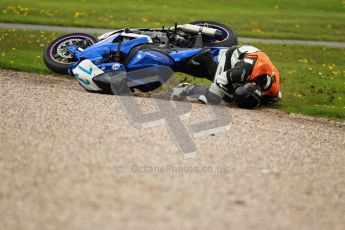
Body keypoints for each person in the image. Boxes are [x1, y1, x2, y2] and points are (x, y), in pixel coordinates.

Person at [171, 45, 281, 109]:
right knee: (214, 98)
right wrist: (226, 95)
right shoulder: (240, 73)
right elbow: (220, 81)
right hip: (235, 53)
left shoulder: (273, 89)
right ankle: (186, 87)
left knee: (228, 94)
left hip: (254, 59)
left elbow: (277, 97)